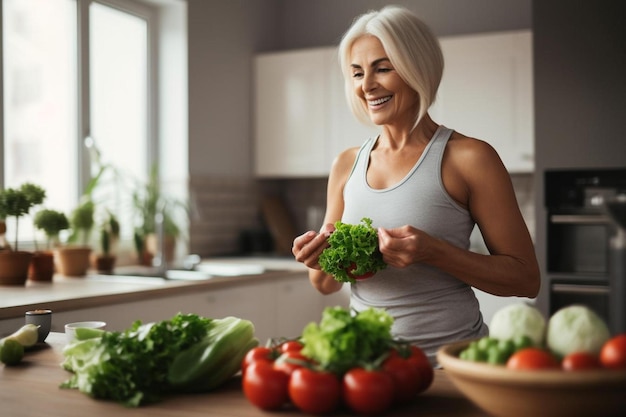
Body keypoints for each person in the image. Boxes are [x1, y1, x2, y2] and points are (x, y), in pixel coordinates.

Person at [291, 5, 540, 365]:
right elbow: (325, 284)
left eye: (382, 68)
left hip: (452, 366)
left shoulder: (470, 158)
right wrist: (319, 258)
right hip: (369, 368)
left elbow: (526, 279)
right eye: (357, 73)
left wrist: (434, 252)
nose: (366, 86)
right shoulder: (346, 164)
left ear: (416, 68)